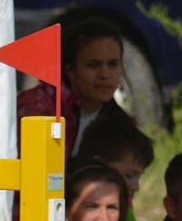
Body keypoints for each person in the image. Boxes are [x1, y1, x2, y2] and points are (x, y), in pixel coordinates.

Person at [15, 19, 135, 157]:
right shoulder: (36, 109)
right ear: (70, 70)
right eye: (93, 65)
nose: (105, 74)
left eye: (113, 64)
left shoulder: (119, 122)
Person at [73, 114, 155, 221]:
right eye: (129, 175)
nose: (136, 186)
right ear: (100, 166)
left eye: (111, 208)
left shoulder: (125, 206)